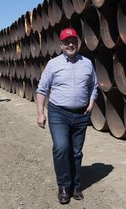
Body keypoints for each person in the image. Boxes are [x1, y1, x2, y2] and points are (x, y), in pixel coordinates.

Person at [36, 28, 98, 204]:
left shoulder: (87, 63)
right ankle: (64, 186)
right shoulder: (53, 64)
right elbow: (41, 90)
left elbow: (94, 85)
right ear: (61, 45)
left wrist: (91, 102)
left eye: (73, 41)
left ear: (78, 43)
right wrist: (40, 113)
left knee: (76, 152)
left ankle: (76, 186)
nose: (70, 44)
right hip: (58, 113)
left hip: (81, 115)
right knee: (62, 147)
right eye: (66, 41)